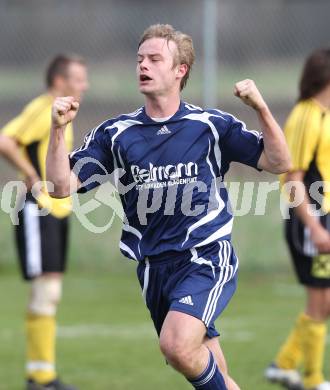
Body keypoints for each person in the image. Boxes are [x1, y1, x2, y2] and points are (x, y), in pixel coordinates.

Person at [46, 24, 290, 390]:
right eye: (140, 59)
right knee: (212, 372)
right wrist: (56, 130)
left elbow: (279, 161)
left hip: (205, 256)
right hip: (154, 269)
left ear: (180, 70)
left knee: (176, 346)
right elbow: (61, 186)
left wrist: (261, 108)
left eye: (155, 58)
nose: (143, 65)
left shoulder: (208, 126)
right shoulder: (116, 133)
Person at [0, 54, 89, 390]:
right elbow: (5, 139)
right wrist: (31, 176)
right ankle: (40, 377)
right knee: (45, 291)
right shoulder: (44, 108)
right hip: (38, 208)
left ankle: (42, 375)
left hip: (56, 209)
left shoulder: (61, 111)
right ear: (60, 81)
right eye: (79, 78)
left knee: (50, 291)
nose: (85, 85)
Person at [265, 49, 330, 390]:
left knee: (325, 299)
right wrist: (315, 227)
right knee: (320, 298)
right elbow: (294, 180)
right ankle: (313, 379)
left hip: (324, 218)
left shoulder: (324, 114)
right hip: (312, 221)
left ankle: (285, 364)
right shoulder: (307, 116)